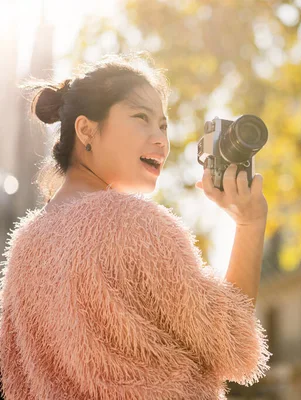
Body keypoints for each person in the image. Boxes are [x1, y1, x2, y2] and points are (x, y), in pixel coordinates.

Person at [0, 53, 271, 399]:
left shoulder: (25, 246)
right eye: (141, 117)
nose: (161, 140)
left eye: (163, 125)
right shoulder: (132, 223)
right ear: (86, 129)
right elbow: (233, 344)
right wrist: (249, 222)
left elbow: (15, 384)